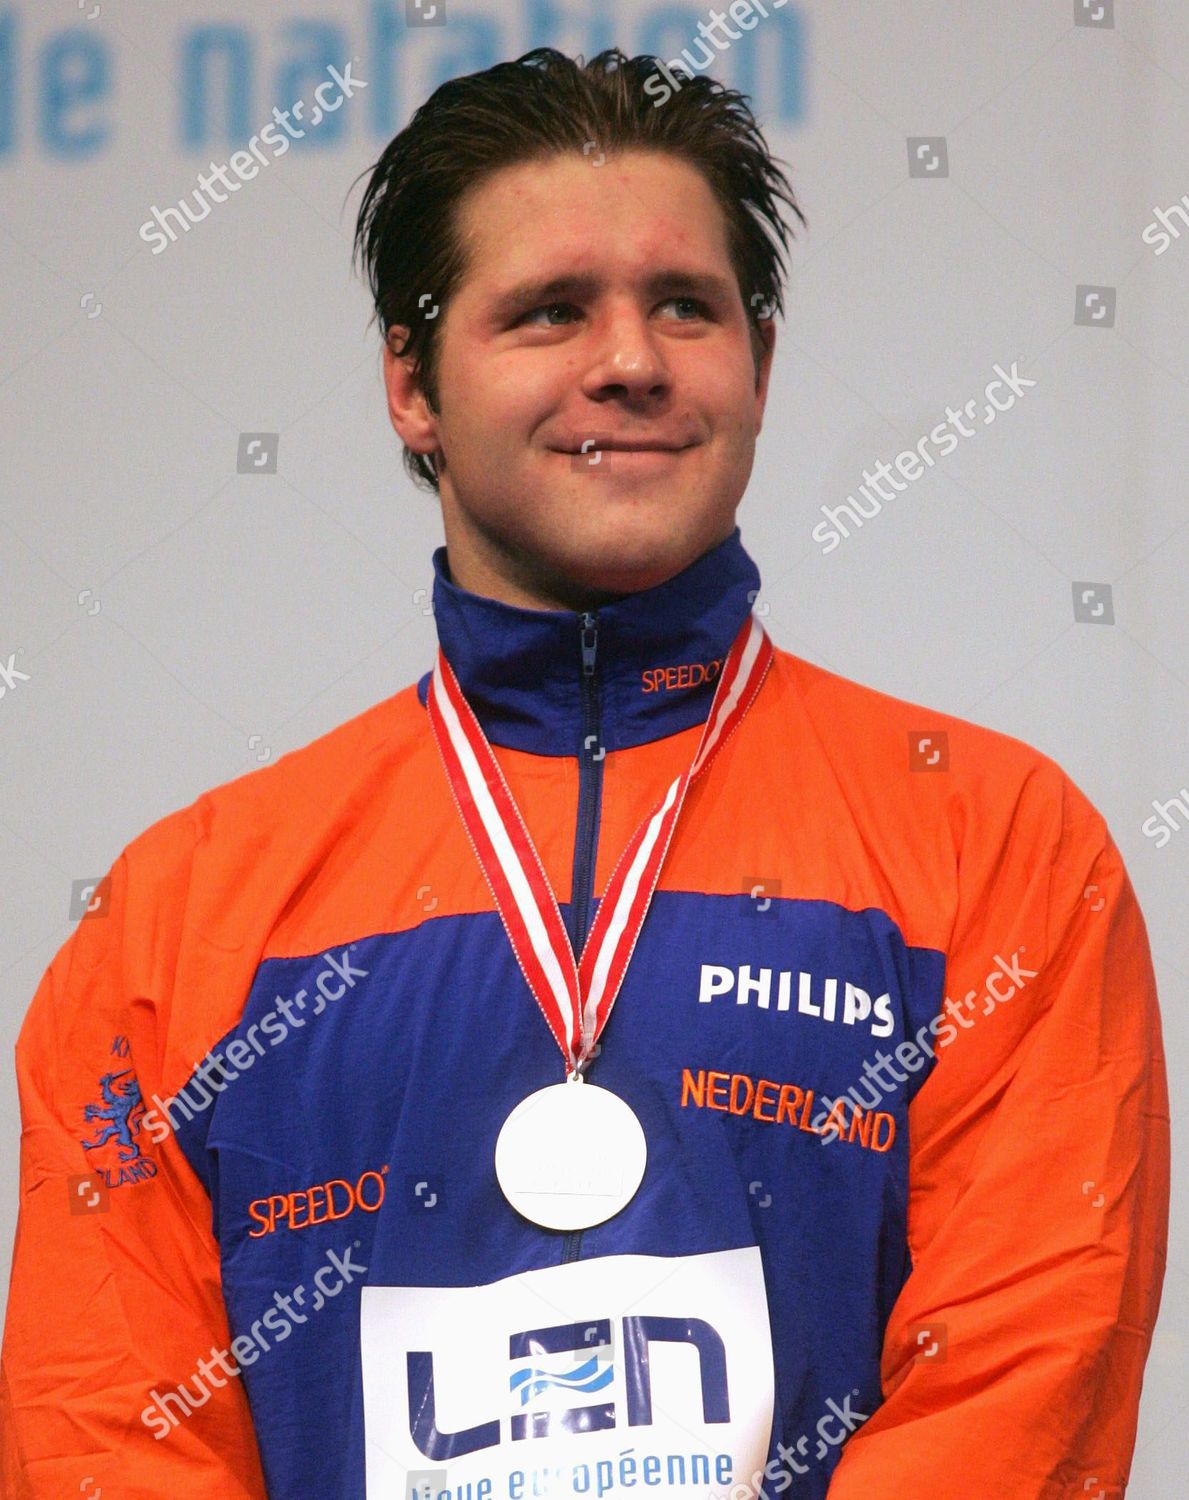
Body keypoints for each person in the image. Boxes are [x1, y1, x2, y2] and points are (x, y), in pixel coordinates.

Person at [0, 46, 1168, 1500]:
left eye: (686, 305)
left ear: (759, 361)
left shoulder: (993, 841)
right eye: (548, 311)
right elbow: (104, 1437)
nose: (629, 359)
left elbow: (1017, 1383)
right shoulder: (176, 923)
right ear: (410, 385)